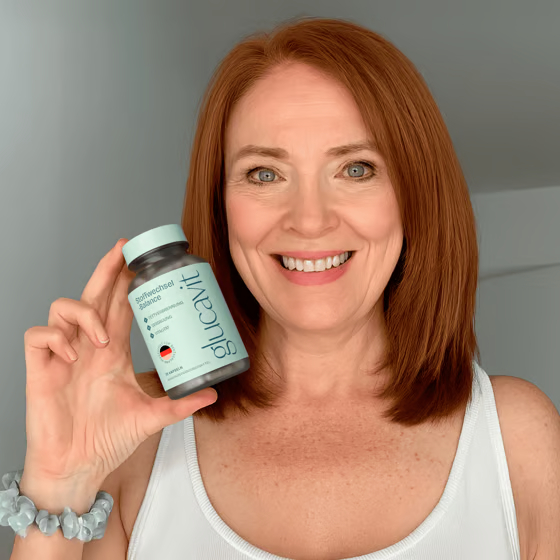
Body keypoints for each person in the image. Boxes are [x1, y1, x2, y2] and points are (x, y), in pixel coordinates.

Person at [9, 16, 556, 560]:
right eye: (265, 174)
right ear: (221, 209)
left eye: (356, 169)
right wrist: (60, 479)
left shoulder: (517, 438)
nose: (310, 220)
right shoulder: (137, 435)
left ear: (414, 196)